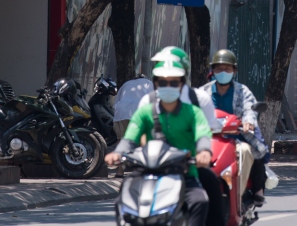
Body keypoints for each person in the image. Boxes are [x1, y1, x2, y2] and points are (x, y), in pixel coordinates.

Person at [105, 54, 211, 226]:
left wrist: (204, 151)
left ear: (181, 84)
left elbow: (203, 135)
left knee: (200, 200)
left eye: (174, 82)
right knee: (121, 201)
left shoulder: (193, 112)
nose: (168, 86)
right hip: (146, 172)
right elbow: (129, 138)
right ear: (155, 84)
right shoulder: (145, 112)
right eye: (163, 82)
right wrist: (118, 152)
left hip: (184, 173)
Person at [138, 47, 225, 226]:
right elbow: (140, 135)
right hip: (156, 167)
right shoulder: (148, 101)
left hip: (189, 167)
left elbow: (205, 132)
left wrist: (202, 153)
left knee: (210, 185)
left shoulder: (199, 99)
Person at [205, 49, 268, 206]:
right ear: (212, 71)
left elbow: (249, 109)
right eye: (219, 69)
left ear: (234, 71)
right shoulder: (203, 92)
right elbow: (193, 111)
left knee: (251, 150)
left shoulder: (242, 91)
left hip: (237, 138)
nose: (223, 72)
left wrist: (248, 122)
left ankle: (246, 192)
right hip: (209, 139)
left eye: (227, 69)